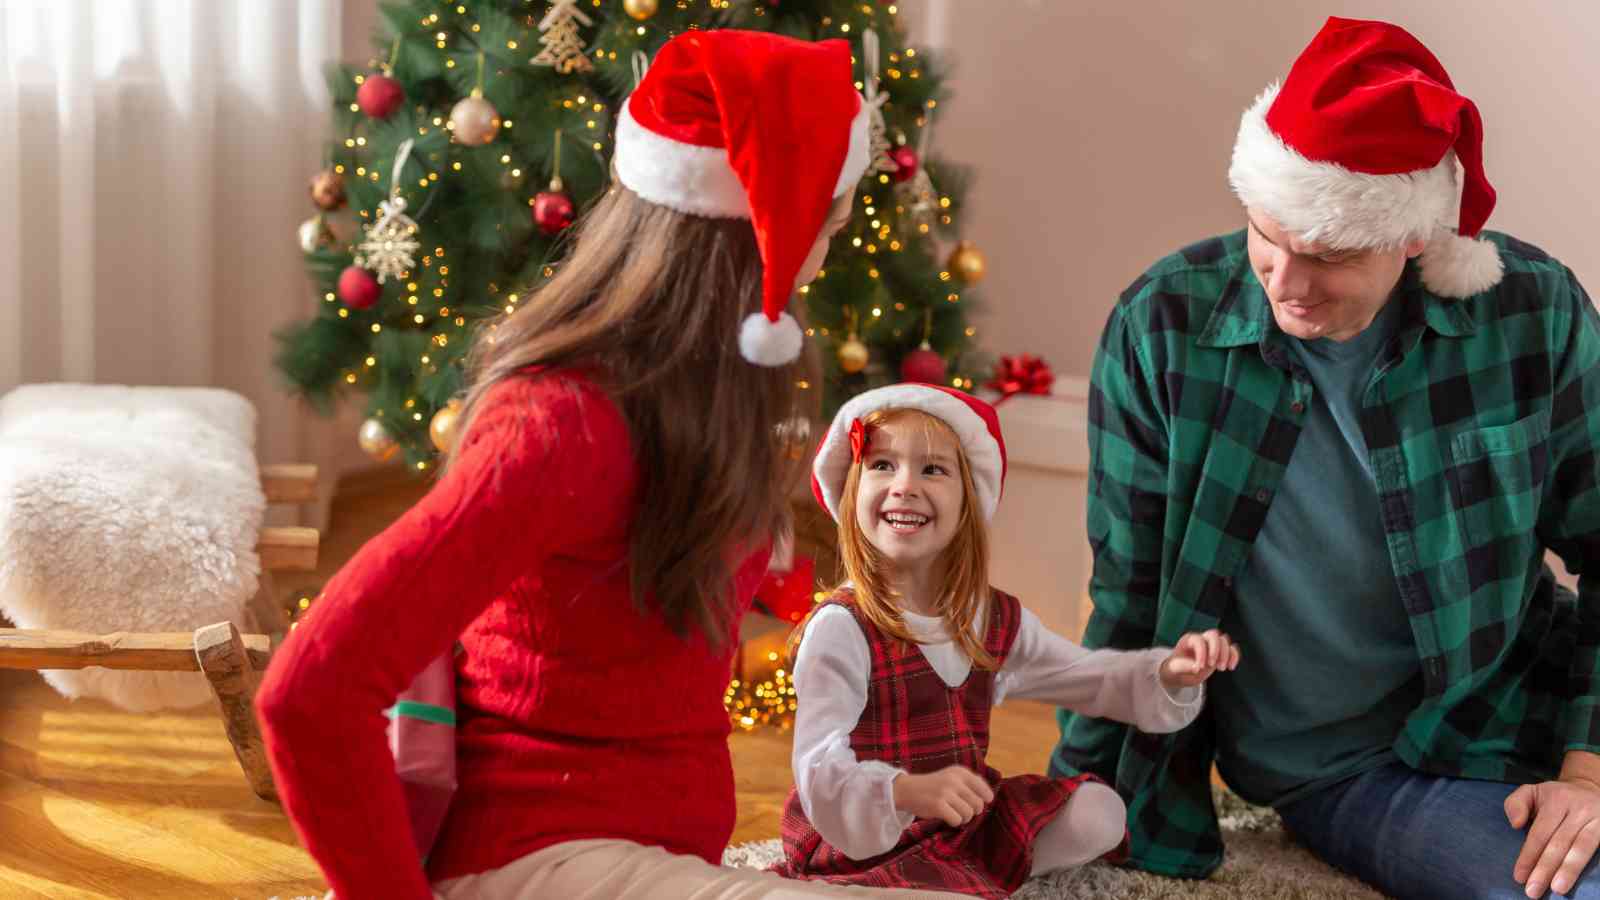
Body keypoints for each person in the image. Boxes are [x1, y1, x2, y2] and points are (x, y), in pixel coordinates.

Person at [257, 30, 963, 900]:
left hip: (643, 850)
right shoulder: (558, 426)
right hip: (530, 857)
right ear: (768, 234)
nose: (826, 254)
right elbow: (309, 691)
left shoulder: (701, 393)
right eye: (830, 222)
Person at [1050, 16, 1600, 900]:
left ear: (1416, 233)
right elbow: (1130, 596)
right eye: (1267, 238)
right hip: (1344, 766)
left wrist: (1588, 775)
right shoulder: (1162, 327)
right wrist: (1068, 800)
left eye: (1331, 256)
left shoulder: (1531, 313)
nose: (1287, 284)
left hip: (1528, 699)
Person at [775, 383, 1238, 899]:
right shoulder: (842, 627)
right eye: (883, 465)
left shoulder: (988, 617)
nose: (904, 485)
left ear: (969, 500)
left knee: (1102, 812)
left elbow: (1086, 677)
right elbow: (819, 768)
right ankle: (913, 885)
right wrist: (909, 790)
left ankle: (958, 875)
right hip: (859, 837)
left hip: (958, 825)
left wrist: (1169, 672)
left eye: (932, 469)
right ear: (852, 488)